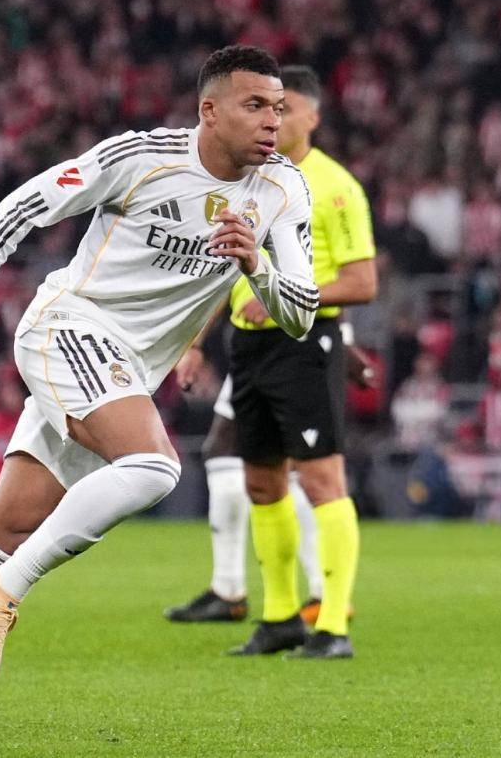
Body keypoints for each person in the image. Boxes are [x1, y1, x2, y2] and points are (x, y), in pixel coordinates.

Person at [0, 45, 318, 742]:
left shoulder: (283, 188)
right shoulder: (140, 158)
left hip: (122, 372)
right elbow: (20, 208)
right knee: (155, 465)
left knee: (0, 533)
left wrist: (256, 264)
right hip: (67, 329)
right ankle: (2, 593)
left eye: (278, 108)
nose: (272, 121)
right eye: (254, 105)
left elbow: (300, 312)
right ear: (209, 109)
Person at [165, 67, 376, 659]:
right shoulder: (252, 181)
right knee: (260, 480)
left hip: (305, 342)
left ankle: (332, 624)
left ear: (313, 117)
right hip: (248, 345)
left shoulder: (336, 186)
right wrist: (196, 341)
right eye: (266, 110)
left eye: (286, 110)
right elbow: (221, 270)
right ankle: (280, 616)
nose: (275, 121)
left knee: (321, 478)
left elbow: (363, 281)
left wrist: (282, 292)